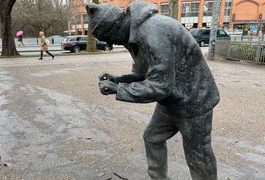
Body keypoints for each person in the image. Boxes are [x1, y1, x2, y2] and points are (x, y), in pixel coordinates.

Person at [86, 2, 219, 180]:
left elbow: (160, 87)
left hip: (194, 101)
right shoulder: (132, 36)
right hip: (171, 101)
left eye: (108, 37)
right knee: (152, 138)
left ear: (116, 26)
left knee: (198, 155)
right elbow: (143, 75)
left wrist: (119, 89)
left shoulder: (154, 32)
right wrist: (118, 80)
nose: (110, 43)